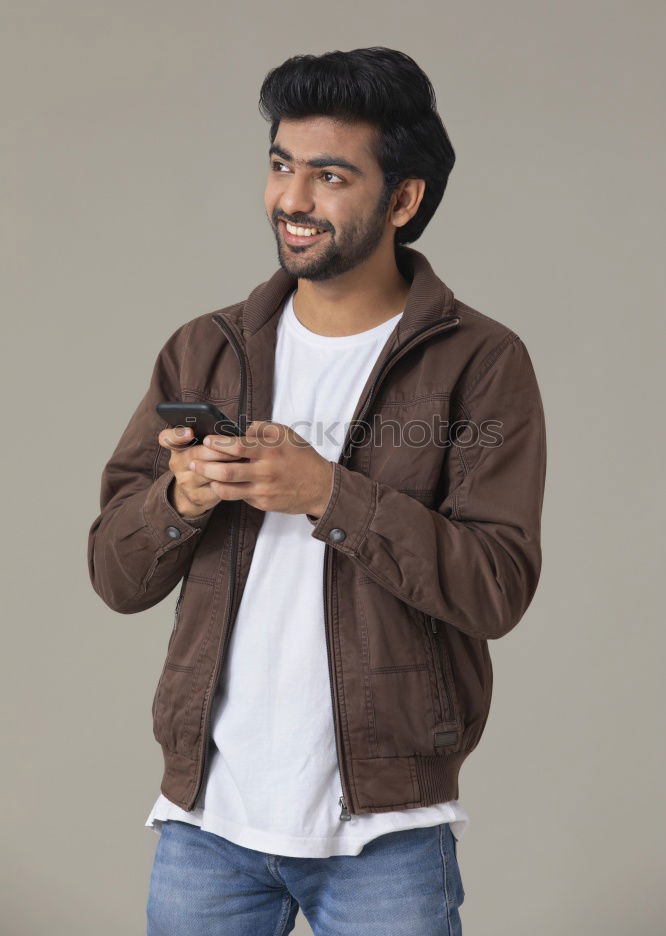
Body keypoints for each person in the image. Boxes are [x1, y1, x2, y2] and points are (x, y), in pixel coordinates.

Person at [87, 46, 547, 936]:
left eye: (329, 175)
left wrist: (328, 493)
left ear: (403, 199)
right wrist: (178, 501)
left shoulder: (481, 364)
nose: (291, 200)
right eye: (280, 166)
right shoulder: (205, 347)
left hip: (386, 833)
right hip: (206, 823)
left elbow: (496, 585)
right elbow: (114, 574)